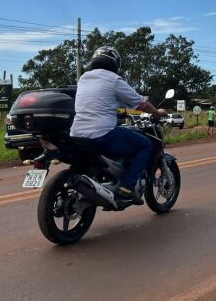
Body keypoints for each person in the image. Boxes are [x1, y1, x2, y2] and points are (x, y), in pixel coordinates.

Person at [70, 46, 167, 205]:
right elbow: (140, 103)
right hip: (101, 135)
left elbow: (98, 101)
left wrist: (116, 111)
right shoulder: (114, 80)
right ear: (115, 63)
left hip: (77, 134)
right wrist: (157, 112)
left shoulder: (84, 78)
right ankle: (126, 189)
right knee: (144, 145)